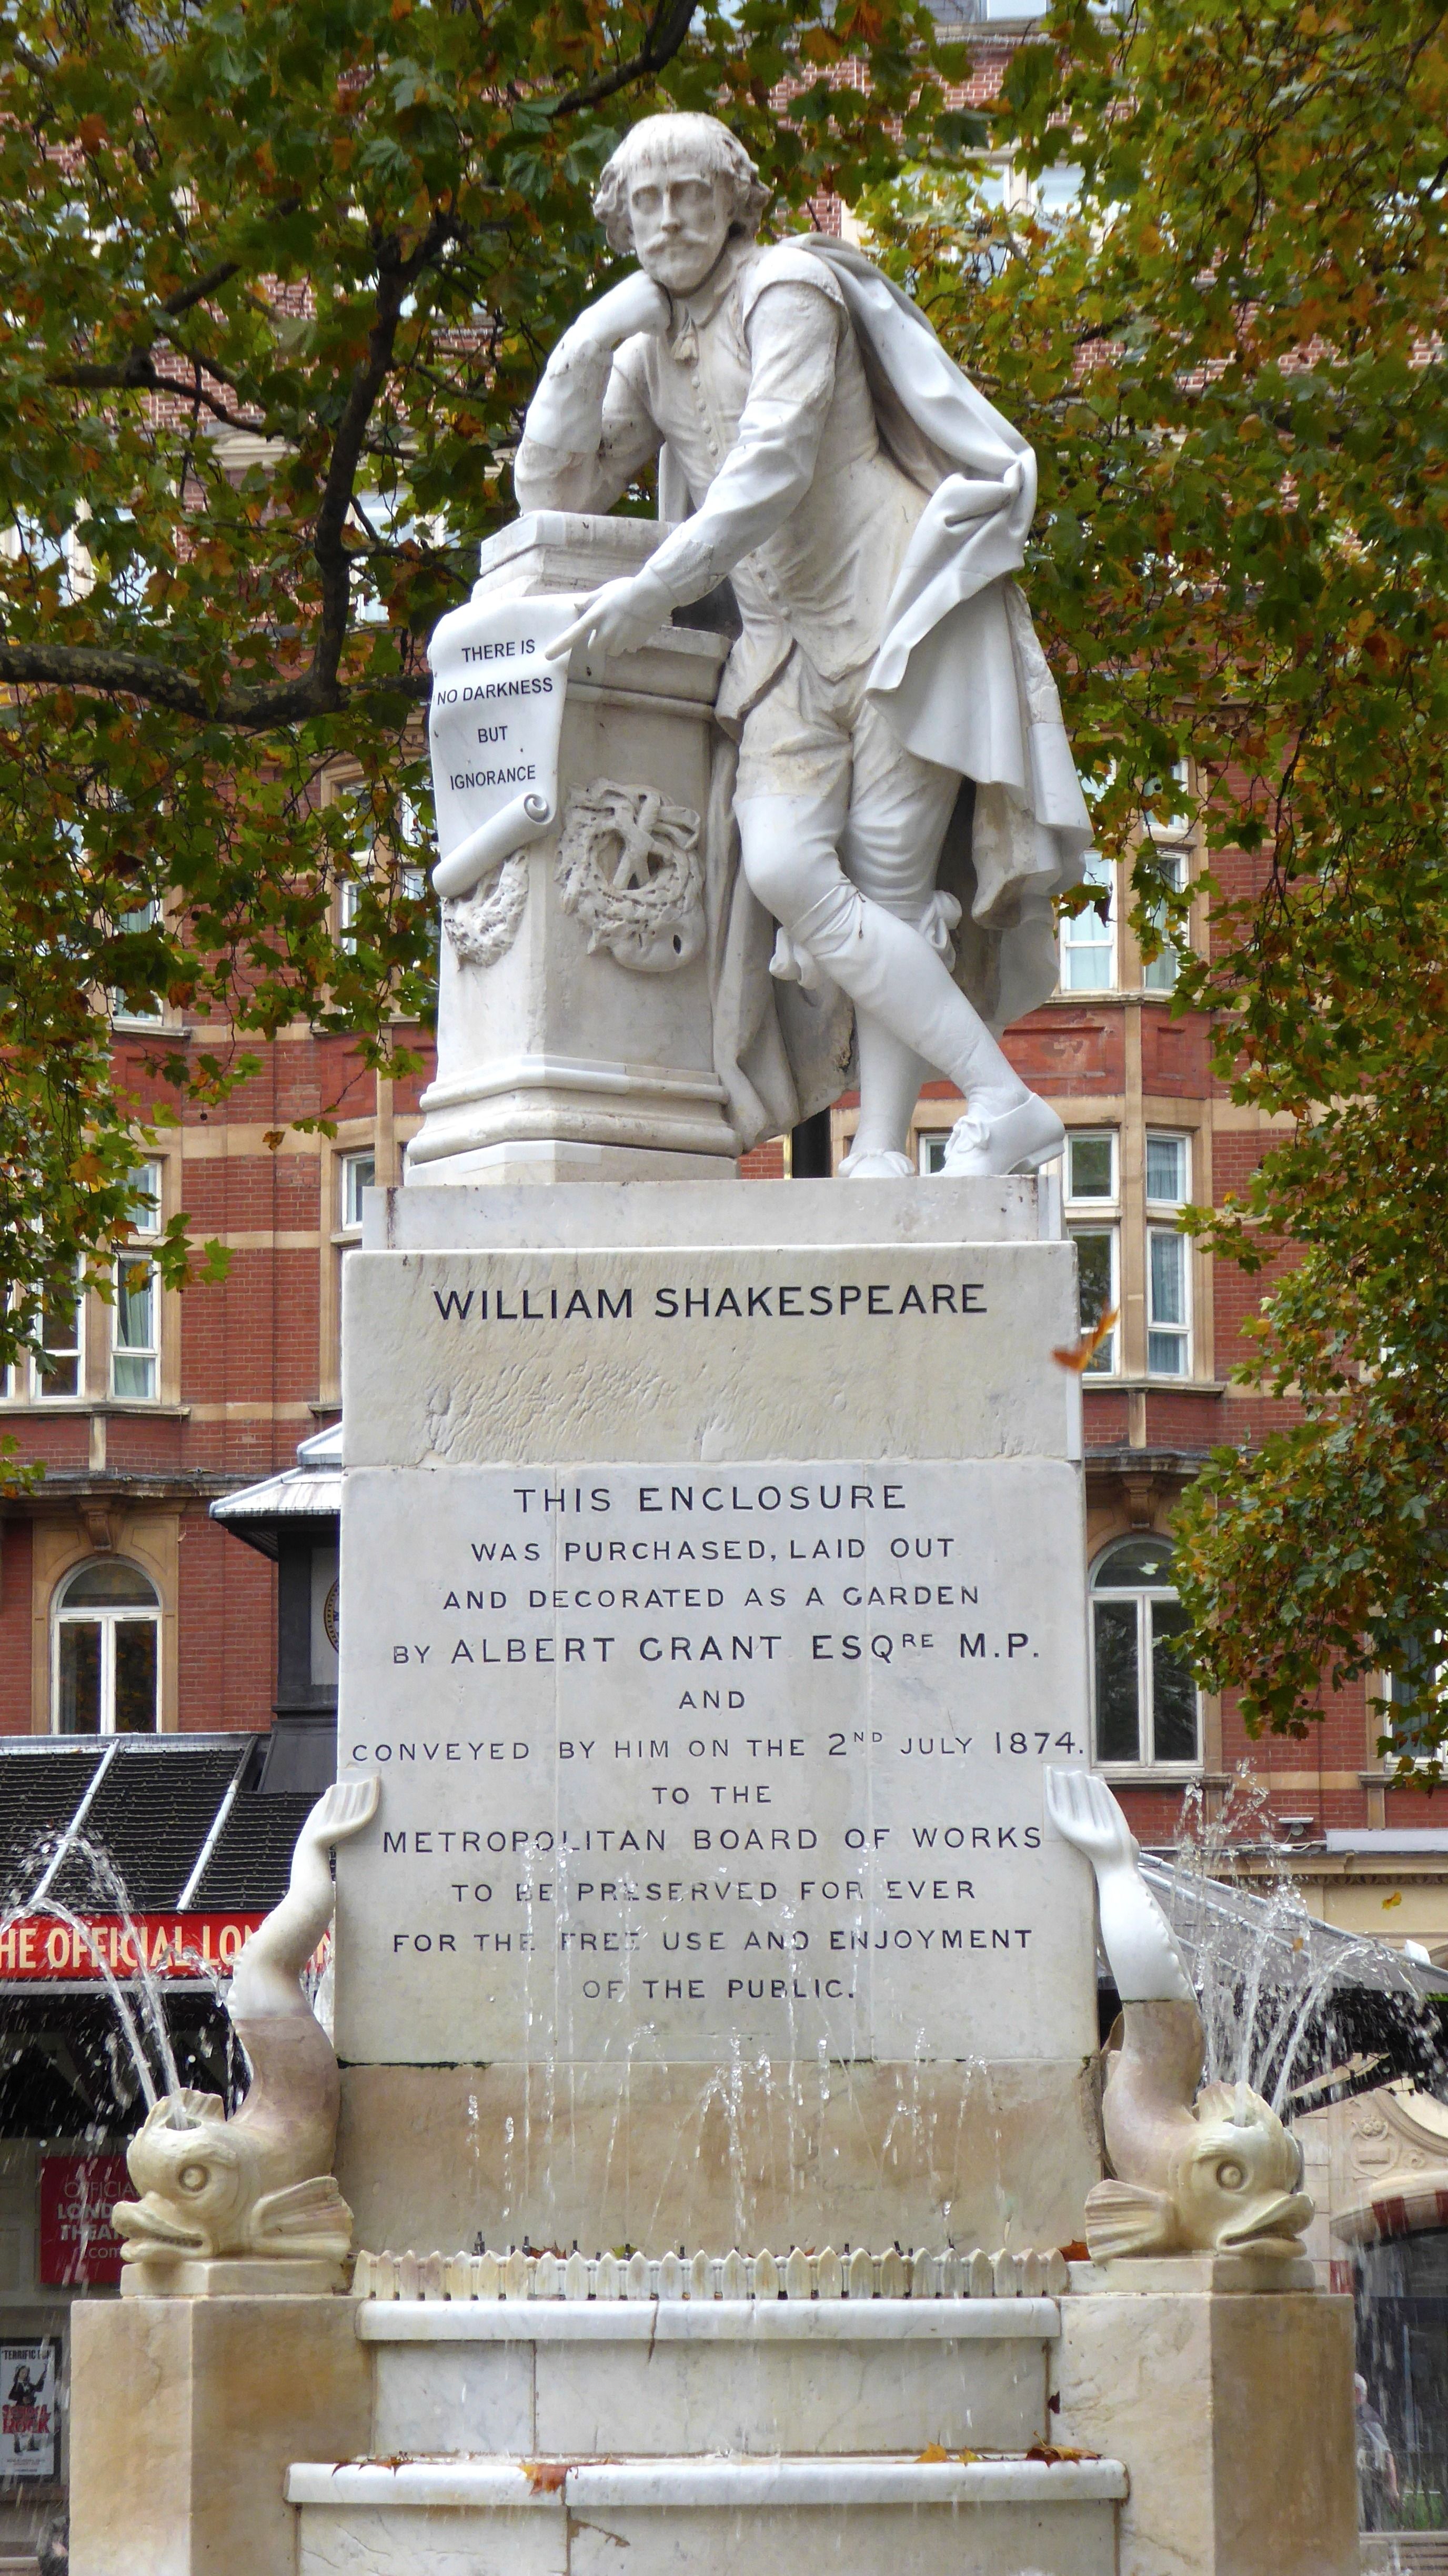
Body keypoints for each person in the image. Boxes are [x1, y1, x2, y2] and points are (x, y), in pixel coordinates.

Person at [519, 112, 1092, 1178]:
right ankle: (1000, 1097)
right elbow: (552, 489)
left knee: (883, 893)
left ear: (732, 197)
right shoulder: (647, 346)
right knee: (785, 867)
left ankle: (878, 1156)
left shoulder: (790, 288)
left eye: (690, 192)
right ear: (622, 222)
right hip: (779, 649)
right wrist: (588, 338)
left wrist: (654, 592)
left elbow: (771, 463)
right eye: (645, 203)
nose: (670, 218)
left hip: (896, 617)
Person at [1355, 2372, 1400, 2530]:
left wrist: (1392, 2487)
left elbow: (1387, 2453)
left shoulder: (1366, 2416)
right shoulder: (1353, 2415)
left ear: (1356, 2392)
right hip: (1360, 2482)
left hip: (1367, 2482)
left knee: (1367, 2524)